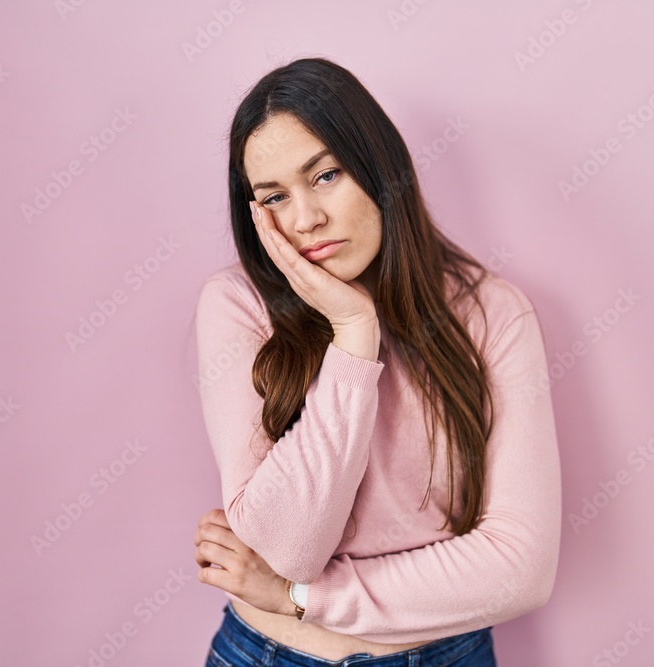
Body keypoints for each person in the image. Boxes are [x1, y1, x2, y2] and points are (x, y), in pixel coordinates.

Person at [192, 56, 561, 666]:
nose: (307, 219)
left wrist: (301, 596)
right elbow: (287, 548)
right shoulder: (238, 306)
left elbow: (520, 569)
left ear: (378, 167)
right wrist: (354, 333)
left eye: (327, 175)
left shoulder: (492, 313)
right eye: (276, 196)